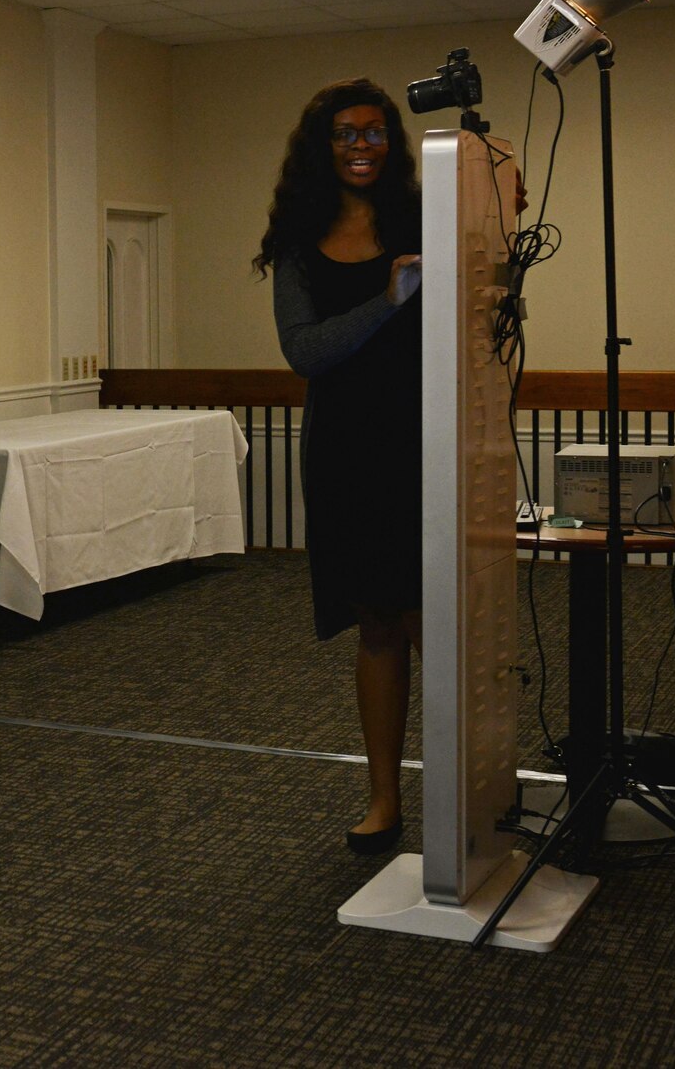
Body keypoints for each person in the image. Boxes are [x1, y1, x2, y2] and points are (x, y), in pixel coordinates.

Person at [256, 79, 425, 857]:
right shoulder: (299, 242)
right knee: (380, 625)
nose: (362, 146)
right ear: (321, 148)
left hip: (427, 445)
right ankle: (383, 798)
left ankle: (469, 789)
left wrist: (501, 217)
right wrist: (390, 298)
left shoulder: (426, 220)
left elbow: (490, 301)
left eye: (376, 132)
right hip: (347, 458)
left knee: (444, 626)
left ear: (393, 142)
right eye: (345, 134)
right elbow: (307, 351)